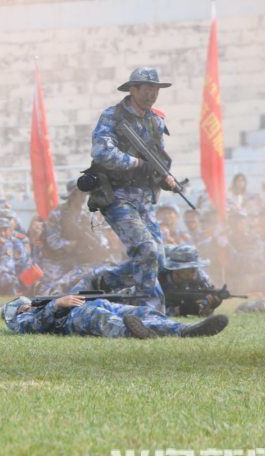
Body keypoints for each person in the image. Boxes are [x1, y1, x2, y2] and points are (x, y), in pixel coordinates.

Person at [87, 66, 178, 311]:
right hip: (117, 196)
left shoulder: (155, 121)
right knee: (146, 249)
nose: (152, 94)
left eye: (155, 89)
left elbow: (158, 159)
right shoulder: (113, 116)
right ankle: (151, 309)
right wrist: (137, 164)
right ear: (133, 89)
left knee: (157, 257)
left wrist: (163, 177)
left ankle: (104, 281)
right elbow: (102, 152)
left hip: (144, 198)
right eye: (147, 89)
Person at [0, 295, 229, 339]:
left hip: (93, 304)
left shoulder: (36, 304)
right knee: (102, 318)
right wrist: (56, 304)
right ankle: (135, 332)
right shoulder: (21, 321)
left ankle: (183, 329)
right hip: (74, 318)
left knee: (141, 312)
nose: (26, 306)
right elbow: (35, 327)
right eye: (22, 307)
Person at [158, 245, 220, 317]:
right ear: (177, 270)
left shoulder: (200, 277)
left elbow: (206, 309)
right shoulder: (160, 279)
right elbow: (151, 311)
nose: (194, 272)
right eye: (189, 269)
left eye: (194, 268)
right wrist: (180, 310)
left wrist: (210, 305)